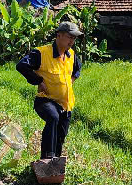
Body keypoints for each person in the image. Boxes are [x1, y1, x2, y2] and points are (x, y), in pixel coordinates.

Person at [17, 21, 84, 160]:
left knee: (60, 136)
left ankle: (54, 168)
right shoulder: (42, 53)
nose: (72, 41)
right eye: (69, 37)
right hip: (45, 100)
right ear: (59, 35)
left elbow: (78, 69)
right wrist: (38, 81)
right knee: (53, 117)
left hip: (66, 104)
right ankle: (46, 159)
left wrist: (72, 80)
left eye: (74, 38)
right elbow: (22, 65)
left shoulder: (71, 55)